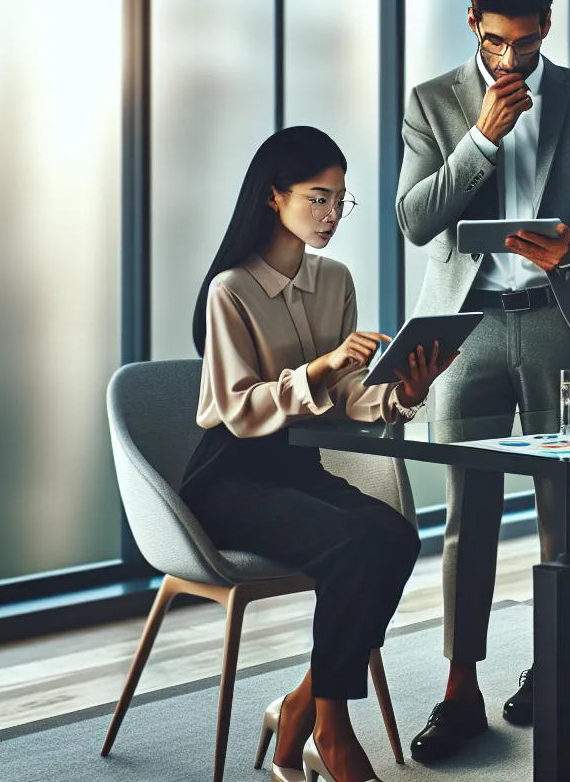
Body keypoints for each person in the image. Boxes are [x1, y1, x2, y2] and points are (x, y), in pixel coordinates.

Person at [395, 0, 570, 760]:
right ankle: (459, 688)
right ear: (473, 22)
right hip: (462, 332)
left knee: (564, 511)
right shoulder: (432, 102)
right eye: (495, 41)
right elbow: (415, 220)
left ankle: (556, 666)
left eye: (526, 41)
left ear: (547, 22)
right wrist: (481, 137)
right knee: (465, 517)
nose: (511, 58)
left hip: (558, 323)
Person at [182, 127, 453, 782]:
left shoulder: (335, 280)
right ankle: (331, 732)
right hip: (228, 481)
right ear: (274, 196)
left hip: (298, 468)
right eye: (318, 198)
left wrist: (403, 392)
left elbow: (347, 397)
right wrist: (322, 365)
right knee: (353, 547)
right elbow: (239, 408)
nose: (332, 214)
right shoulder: (230, 290)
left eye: (340, 200)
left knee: (395, 536)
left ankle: (300, 707)